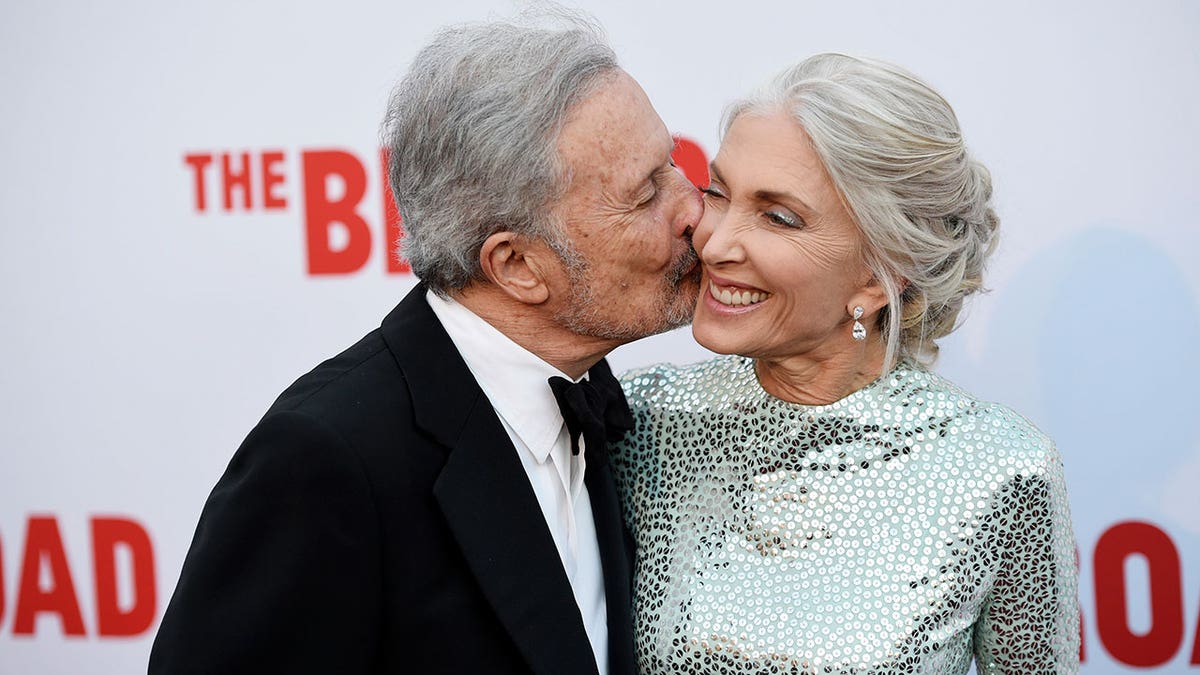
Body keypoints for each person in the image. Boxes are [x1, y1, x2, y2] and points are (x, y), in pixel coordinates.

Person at [149, 15, 702, 675]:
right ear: (518, 265)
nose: (692, 206)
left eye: (672, 163)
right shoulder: (326, 461)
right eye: (645, 195)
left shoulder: (609, 406)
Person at [611, 53, 1079, 674]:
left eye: (779, 218)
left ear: (881, 274)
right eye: (718, 194)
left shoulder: (998, 470)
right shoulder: (635, 422)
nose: (716, 243)